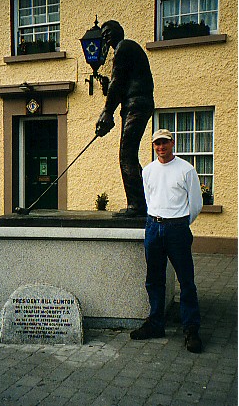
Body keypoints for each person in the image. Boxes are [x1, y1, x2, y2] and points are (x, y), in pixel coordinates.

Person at [130, 129, 203, 353]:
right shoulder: (149, 171)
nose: (161, 147)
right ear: (153, 146)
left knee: (186, 280)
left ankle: (191, 329)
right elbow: (149, 199)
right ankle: (156, 324)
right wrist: (158, 221)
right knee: (154, 279)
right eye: (157, 144)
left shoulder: (186, 170)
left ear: (172, 143)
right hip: (153, 227)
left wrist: (179, 224)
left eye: (165, 143)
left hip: (177, 229)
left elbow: (196, 204)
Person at [95, 20, 154, 217]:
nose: (106, 36)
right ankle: (142, 202)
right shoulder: (125, 48)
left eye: (109, 32)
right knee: (130, 156)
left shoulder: (124, 47)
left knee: (126, 155)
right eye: (103, 34)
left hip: (137, 104)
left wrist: (107, 112)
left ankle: (137, 205)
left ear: (120, 31)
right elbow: (118, 86)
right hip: (133, 105)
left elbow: (117, 82)